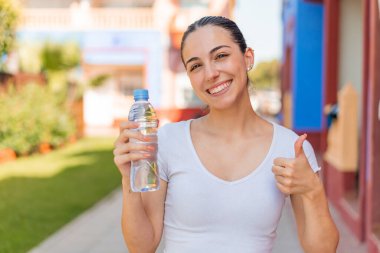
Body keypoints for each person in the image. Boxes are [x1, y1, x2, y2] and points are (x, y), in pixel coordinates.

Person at [113, 16, 339, 253]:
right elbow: (142, 247)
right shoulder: (170, 141)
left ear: (247, 58)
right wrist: (129, 183)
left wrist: (312, 190)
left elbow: (323, 250)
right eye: (196, 66)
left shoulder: (291, 148)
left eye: (220, 56)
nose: (210, 73)